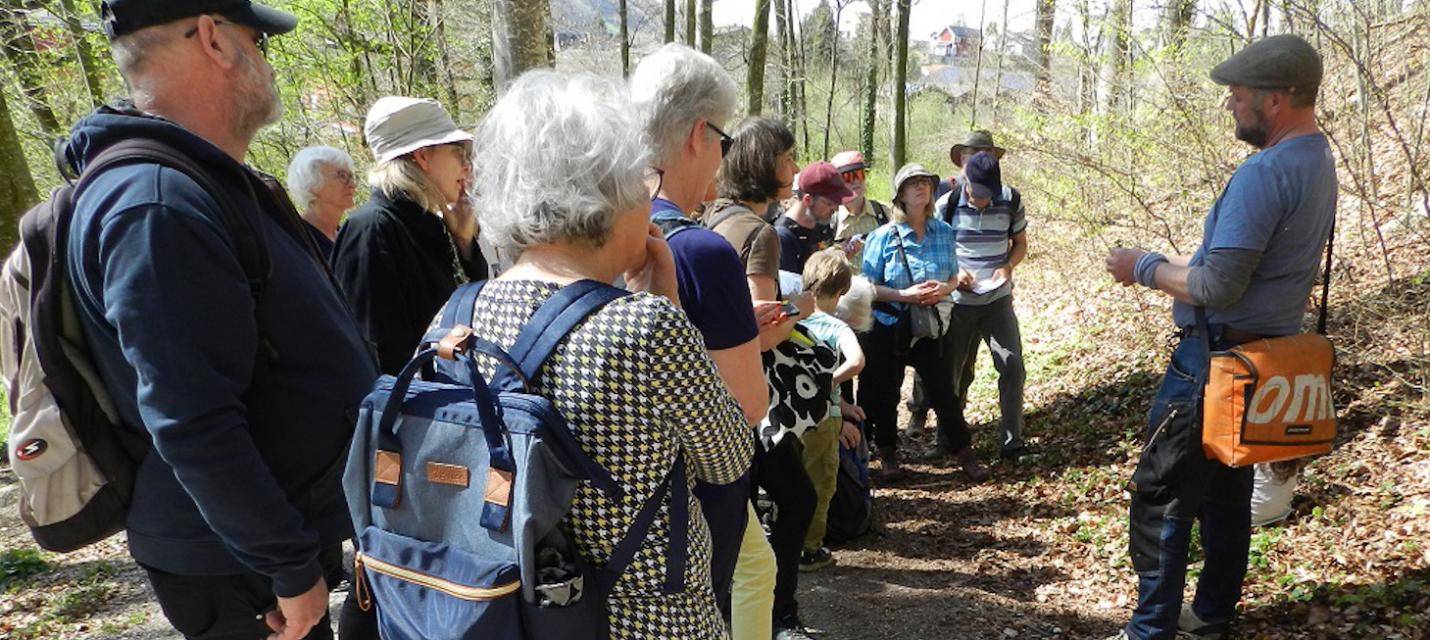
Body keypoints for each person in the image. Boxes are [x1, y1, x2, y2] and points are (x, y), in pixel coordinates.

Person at [67, 2, 379, 638]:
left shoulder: (201, 182)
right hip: (242, 569)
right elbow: (192, 417)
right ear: (213, 38)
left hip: (265, 543)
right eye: (258, 41)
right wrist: (288, 565)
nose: (267, 61)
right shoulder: (156, 202)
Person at [462, 69, 754, 640]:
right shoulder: (644, 328)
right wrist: (668, 307)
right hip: (645, 621)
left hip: (507, 612)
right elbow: (729, 458)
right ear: (608, 197)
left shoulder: (458, 314)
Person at [1103, 34, 1336, 640]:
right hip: (1263, 361)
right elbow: (1233, 263)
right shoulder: (1318, 158)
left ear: (1277, 98)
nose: (1230, 102)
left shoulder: (1267, 171)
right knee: (1227, 491)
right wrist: (1185, 262)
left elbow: (1219, 284)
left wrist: (1144, 266)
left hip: (1213, 360)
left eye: (1238, 93)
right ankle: (1210, 613)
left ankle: (1149, 630)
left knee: (1163, 495)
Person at [628, 42, 778, 640]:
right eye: (723, 138)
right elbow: (749, 403)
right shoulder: (701, 251)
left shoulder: (592, 230)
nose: (722, 158)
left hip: (608, 492)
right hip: (694, 492)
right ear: (697, 133)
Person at [708, 116, 819, 640]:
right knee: (796, 499)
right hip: (748, 400)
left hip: (705, 395)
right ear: (762, 165)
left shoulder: (708, 217)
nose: (794, 168)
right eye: (787, 159)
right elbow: (758, 329)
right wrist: (803, 309)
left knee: (740, 514)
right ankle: (780, 616)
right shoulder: (760, 233)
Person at [330, 96, 487, 375]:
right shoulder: (372, 230)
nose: (466, 166)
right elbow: (374, 361)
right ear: (423, 156)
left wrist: (464, 246)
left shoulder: (428, 225)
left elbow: (474, 323)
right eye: (458, 152)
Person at [858, 164, 989, 483]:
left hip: (929, 325)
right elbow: (868, 287)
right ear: (900, 195)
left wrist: (943, 290)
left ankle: (964, 454)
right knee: (886, 393)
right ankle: (888, 454)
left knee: (944, 391)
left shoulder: (943, 231)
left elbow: (952, 276)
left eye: (925, 183)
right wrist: (905, 295)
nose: (921, 188)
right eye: (912, 184)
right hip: (890, 324)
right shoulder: (881, 237)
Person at [934, 150, 1031, 461]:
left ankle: (1012, 442)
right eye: (977, 195)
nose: (983, 201)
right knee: (952, 372)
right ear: (966, 183)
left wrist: (1008, 267)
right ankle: (948, 438)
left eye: (989, 195)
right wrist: (954, 272)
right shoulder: (945, 205)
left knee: (1013, 365)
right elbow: (935, 250)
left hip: (997, 301)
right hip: (959, 303)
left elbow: (1020, 244)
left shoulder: (1011, 200)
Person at [796, 248, 867, 573]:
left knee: (788, 477)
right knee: (820, 480)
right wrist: (827, 383)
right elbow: (857, 362)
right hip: (822, 417)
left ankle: (785, 538)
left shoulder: (790, 314)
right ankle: (808, 549)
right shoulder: (836, 327)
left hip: (785, 413)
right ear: (841, 292)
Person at [774, 162, 850, 274]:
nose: (836, 209)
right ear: (808, 200)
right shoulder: (782, 237)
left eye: (838, 203)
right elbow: (791, 287)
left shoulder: (821, 226)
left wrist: (838, 259)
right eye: (829, 203)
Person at [286, 145, 357, 258]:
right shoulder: (297, 239)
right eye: (342, 176)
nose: (353, 185)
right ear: (311, 183)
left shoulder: (345, 236)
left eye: (351, 177)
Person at [831, 150, 891, 268]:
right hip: (843, 285)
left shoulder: (885, 212)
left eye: (859, 175)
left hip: (881, 285)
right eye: (847, 177)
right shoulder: (831, 219)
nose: (855, 181)